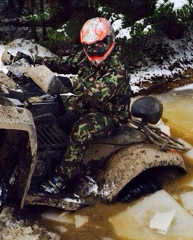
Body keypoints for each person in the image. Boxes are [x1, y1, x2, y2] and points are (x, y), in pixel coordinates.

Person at [39, 17, 131, 194]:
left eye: (98, 45)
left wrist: (71, 83)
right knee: (54, 110)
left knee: (81, 131)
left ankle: (64, 176)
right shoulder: (85, 58)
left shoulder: (117, 68)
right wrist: (37, 61)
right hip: (87, 104)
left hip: (110, 114)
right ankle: (52, 155)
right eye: (89, 46)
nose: (94, 50)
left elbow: (100, 93)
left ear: (109, 40)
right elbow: (64, 63)